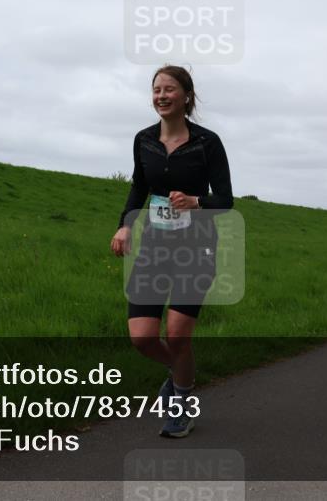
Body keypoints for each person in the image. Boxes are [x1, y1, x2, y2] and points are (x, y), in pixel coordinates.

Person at [110, 65, 233, 438]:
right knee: (142, 338)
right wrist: (125, 224)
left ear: (186, 97)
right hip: (155, 247)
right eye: (156, 90)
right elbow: (139, 187)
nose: (161, 96)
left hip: (196, 248)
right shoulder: (144, 140)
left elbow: (226, 201)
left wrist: (195, 201)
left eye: (169, 89)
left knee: (178, 335)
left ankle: (181, 403)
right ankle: (178, 372)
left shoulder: (207, 143)